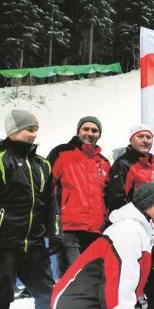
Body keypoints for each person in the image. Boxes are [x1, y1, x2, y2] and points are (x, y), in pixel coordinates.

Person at [0, 110, 62, 309]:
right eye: (28, 128)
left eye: (36, 128)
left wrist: (54, 232)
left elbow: (50, 204)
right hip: (4, 243)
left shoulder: (41, 164)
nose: (34, 133)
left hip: (34, 244)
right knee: (2, 297)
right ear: (13, 130)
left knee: (46, 292)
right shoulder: (3, 159)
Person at [47, 115, 110, 274]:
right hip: (68, 228)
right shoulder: (61, 152)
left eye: (95, 130)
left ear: (99, 135)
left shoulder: (103, 162)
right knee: (74, 275)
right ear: (78, 131)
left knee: (91, 277)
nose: (90, 133)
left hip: (96, 230)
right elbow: (46, 186)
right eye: (86, 129)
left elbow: (107, 195)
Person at [106, 124, 154, 213]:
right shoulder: (122, 164)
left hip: (149, 221)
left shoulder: (153, 164)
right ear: (131, 140)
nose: (145, 140)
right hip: (131, 220)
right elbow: (117, 200)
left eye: (148, 137)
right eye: (140, 137)